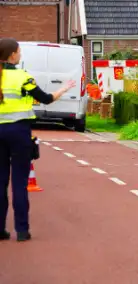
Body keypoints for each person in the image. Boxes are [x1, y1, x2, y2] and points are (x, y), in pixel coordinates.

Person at [0, 38, 76, 242]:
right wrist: (64, 89)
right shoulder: (22, 77)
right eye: (19, 52)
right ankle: (22, 231)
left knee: (0, 183)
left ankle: (0, 229)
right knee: (19, 182)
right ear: (12, 55)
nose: (21, 55)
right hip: (19, 132)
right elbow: (46, 99)